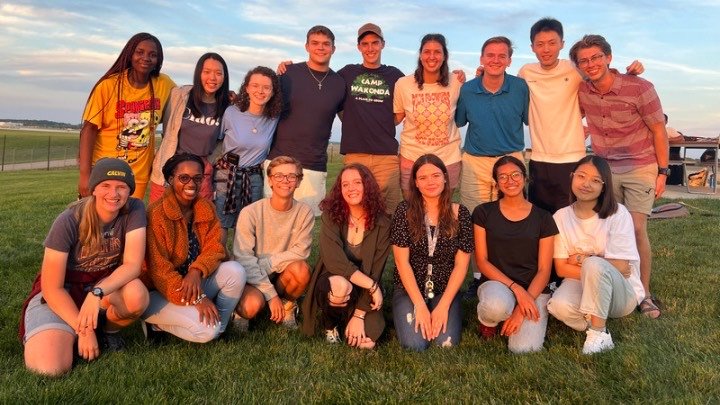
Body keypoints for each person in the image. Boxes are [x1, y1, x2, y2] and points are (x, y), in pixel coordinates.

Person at [569, 34, 668, 319]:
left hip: (640, 166)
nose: (591, 64)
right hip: (605, 169)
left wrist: (663, 171)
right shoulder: (583, 91)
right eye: (584, 61)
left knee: (636, 230)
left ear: (608, 58)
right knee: (607, 231)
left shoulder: (640, 88)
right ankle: (613, 285)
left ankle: (644, 294)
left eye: (596, 57)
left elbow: (659, 129)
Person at [20, 158, 149, 376]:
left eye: (121, 187)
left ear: (129, 191)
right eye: (105, 186)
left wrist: (97, 293)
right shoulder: (69, 220)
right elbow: (52, 288)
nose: (114, 194)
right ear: (94, 189)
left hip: (101, 288)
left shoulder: (134, 209)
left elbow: (132, 265)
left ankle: (108, 331)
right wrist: (84, 330)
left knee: (136, 295)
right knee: (49, 368)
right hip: (63, 291)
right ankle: (77, 330)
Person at [516, 18, 643, 214]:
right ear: (532, 47)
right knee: (541, 220)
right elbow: (509, 91)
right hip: (539, 158)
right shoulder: (526, 72)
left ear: (562, 44)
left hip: (572, 157)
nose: (546, 49)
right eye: (540, 44)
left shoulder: (574, 68)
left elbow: (601, 77)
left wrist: (629, 73)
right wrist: (483, 74)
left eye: (552, 43)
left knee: (572, 217)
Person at [141, 153, 246, 343]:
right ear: (171, 179)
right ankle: (154, 323)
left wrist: (196, 271)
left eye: (197, 178)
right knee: (206, 332)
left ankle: (219, 327)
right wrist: (198, 300)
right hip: (160, 290)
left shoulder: (206, 207)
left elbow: (215, 248)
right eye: (184, 178)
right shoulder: (156, 214)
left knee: (235, 271)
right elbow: (159, 271)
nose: (192, 184)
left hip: (194, 282)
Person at [547, 156, 645, 354]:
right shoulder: (560, 217)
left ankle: (598, 333)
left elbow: (623, 267)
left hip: (622, 294)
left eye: (595, 180)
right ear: (572, 177)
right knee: (558, 306)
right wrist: (598, 269)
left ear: (604, 186)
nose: (586, 184)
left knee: (593, 265)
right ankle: (594, 317)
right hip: (581, 282)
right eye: (581, 176)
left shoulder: (618, 214)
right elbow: (561, 268)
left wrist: (582, 260)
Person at [455, 36, 529, 297]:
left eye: (501, 56)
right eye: (490, 55)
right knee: (475, 221)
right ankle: (478, 277)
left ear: (509, 60)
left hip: (511, 159)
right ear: (481, 58)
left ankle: (512, 274)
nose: (495, 60)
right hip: (475, 161)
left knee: (511, 219)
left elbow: (534, 119)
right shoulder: (468, 90)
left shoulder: (521, 88)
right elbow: (459, 121)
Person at [472, 156, 557, 353]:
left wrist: (521, 309)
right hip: (497, 283)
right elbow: (482, 261)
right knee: (495, 306)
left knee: (523, 350)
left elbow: (545, 269)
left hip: (534, 289)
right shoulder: (483, 213)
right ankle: (489, 321)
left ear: (525, 178)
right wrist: (517, 290)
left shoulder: (543, 217)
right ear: (496, 184)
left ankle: (516, 313)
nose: (510, 181)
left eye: (515, 175)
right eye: (503, 177)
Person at [301, 163, 390, 348]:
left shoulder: (383, 223)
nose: (351, 188)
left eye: (357, 182)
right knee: (341, 286)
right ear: (339, 189)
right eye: (345, 184)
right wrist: (373, 287)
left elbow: (376, 271)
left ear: (368, 186)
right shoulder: (331, 215)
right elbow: (334, 261)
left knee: (368, 341)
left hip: (365, 284)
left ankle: (351, 316)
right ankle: (330, 325)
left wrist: (360, 314)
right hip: (333, 278)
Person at [391, 154, 473, 351]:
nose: (430, 182)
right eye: (423, 178)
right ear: (416, 183)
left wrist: (444, 306)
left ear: (445, 178)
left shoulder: (460, 214)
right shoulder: (404, 211)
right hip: (410, 288)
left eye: (436, 176)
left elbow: (462, 265)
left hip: (445, 288)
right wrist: (419, 305)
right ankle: (411, 308)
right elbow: (402, 262)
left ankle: (445, 308)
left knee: (446, 343)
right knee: (415, 344)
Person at [79, 32, 176, 199]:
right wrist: (85, 175)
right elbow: (89, 129)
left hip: (136, 176)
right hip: (104, 170)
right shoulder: (108, 86)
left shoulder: (163, 84)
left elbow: (187, 99)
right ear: (130, 53)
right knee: (96, 222)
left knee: (126, 222)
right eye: (140, 52)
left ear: (158, 60)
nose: (146, 58)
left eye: (153, 55)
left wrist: (224, 95)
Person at [265, 25, 345, 216]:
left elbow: (349, 118)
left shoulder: (339, 83)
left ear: (333, 49)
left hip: (314, 166)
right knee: (272, 225)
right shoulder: (287, 74)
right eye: (315, 43)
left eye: (326, 44)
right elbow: (265, 108)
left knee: (304, 228)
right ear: (306, 46)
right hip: (279, 162)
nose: (321, 48)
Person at [233, 156, 314, 330]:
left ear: (298, 182)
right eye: (279, 176)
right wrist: (271, 295)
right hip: (253, 275)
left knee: (301, 270)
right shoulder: (250, 212)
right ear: (269, 180)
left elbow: (301, 252)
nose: (285, 180)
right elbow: (244, 258)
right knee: (250, 307)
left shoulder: (305, 212)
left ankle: (287, 305)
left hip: (281, 274)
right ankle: (242, 310)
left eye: (292, 176)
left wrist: (267, 264)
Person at [337, 23, 405, 215]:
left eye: (375, 43)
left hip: (387, 157)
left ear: (383, 44)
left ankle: (383, 246)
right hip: (355, 155)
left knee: (387, 214)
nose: (370, 48)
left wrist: (455, 75)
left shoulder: (395, 76)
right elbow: (322, 83)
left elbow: (411, 97)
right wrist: (291, 68)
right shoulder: (346, 73)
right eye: (365, 44)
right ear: (359, 47)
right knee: (355, 211)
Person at [149, 53, 231, 202]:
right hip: (169, 167)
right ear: (198, 73)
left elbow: (224, 140)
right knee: (158, 219)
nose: (212, 78)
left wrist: (209, 162)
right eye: (207, 72)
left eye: (218, 73)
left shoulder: (227, 107)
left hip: (200, 173)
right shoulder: (180, 96)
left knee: (198, 221)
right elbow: (164, 126)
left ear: (224, 78)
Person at [215, 66, 282, 246]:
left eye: (266, 87)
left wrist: (286, 67)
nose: (260, 91)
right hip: (226, 174)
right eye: (255, 85)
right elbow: (217, 140)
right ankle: (217, 262)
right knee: (221, 222)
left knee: (247, 224)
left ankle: (242, 265)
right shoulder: (231, 112)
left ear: (273, 91)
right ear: (246, 88)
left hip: (253, 177)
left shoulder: (273, 118)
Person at [394, 34, 463, 201]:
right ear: (420, 55)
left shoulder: (456, 81)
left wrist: (481, 72)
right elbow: (395, 119)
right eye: (427, 51)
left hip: (448, 160)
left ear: (445, 56)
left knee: (442, 215)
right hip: (411, 159)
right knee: (412, 214)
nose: (432, 57)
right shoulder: (403, 84)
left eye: (437, 52)